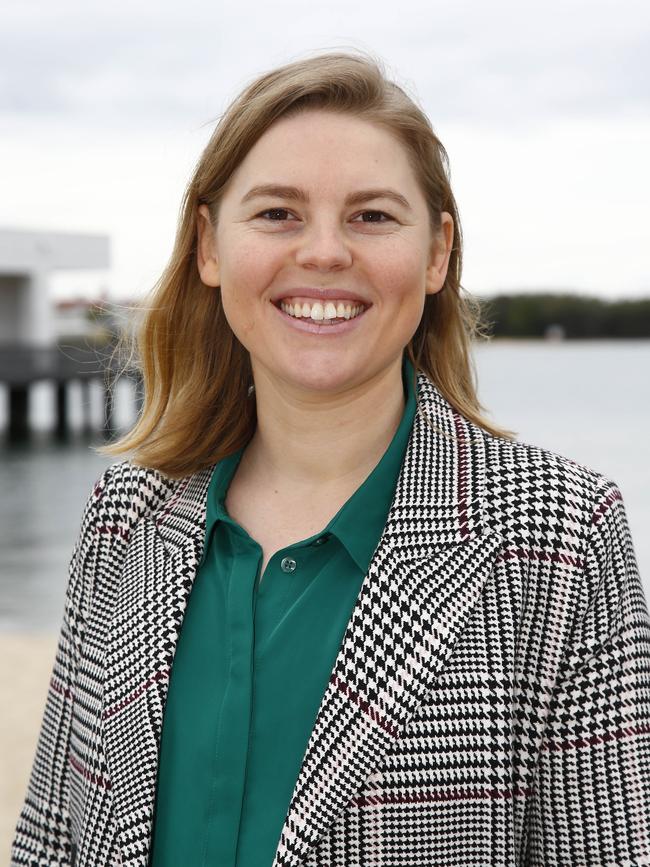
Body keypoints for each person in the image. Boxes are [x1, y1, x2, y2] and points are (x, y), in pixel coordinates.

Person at [11, 49, 650, 867]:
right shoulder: (123, 518)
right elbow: (50, 846)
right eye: (277, 212)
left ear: (436, 252)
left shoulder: (561, 537)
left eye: (372, 216)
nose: (323, 252)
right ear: (209, 246)